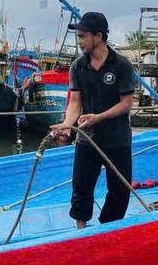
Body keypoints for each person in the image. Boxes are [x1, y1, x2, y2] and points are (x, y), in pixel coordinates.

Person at [51, 12, 135, 229]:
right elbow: (75, 102)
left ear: (98, 36)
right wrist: (67, 124)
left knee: (119, 191)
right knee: (81, 189)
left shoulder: (121, 65)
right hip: (87, 139)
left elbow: (126, 103)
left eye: (82, 36)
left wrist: (98, 117)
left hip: (117, 139)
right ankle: (81, 232)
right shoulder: (77, 66)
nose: (79, 41)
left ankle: (107, 230)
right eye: (78, 36)